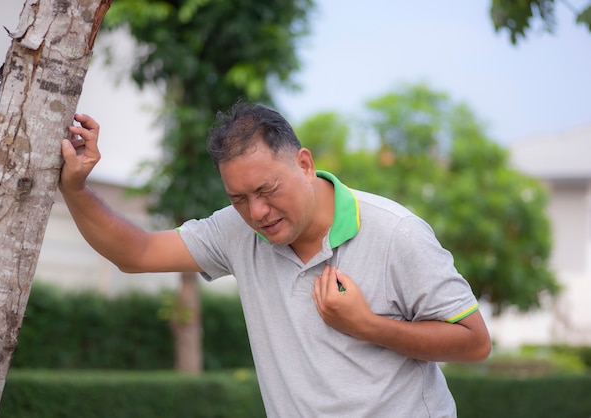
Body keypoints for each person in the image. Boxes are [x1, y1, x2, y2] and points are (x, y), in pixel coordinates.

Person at [60, 102, 491, 417]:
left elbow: (474, 342)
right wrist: (75, 189)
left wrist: (367, 326)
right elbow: (136, 253)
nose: (257, 212)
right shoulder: (237, 229)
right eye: (239, 198)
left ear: (304, 164)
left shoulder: (396, 232)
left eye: (266, 191)